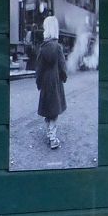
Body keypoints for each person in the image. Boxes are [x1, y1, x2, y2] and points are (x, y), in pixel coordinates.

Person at [35, 14, 67, 150]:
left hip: (45, 83)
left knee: (48, 110)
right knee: (54, 112)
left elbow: (39, 69)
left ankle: (49, 134)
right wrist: (64, 77)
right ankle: (53, 139)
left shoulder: (42, 48)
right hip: (55, 82)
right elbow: (62, 67)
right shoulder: (58, 47)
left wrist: (39, 83)